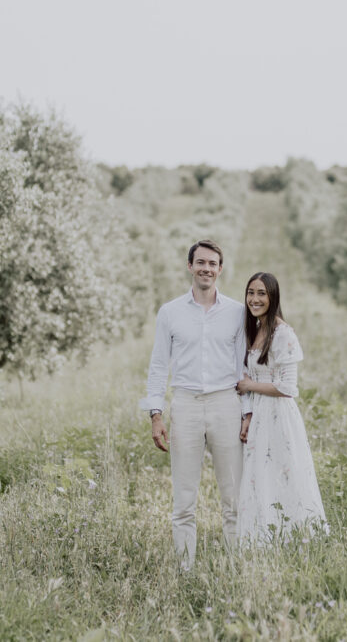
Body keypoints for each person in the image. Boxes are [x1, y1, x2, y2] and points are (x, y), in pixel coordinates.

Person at [140, 239, 251, 570]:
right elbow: (159, 365)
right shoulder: (170, 312)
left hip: (225, 405)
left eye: (212, 263)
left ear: (220, 269)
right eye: (200, 262)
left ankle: (234, 567)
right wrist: (155, 414)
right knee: (184, 500)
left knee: (233, 498)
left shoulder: (236, 312)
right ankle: (185, 571)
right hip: (186, 405)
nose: (206, 268)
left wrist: (246, 413)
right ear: (190, 266)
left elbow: (243, 367)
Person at [236, 272, 327, 544]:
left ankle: (295, 536)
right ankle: (261, 536)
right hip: (259, 414)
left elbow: (288, 388)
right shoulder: (255, 330)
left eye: (262, 293)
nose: (255, 299)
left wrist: (249, 386)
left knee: (284, 472)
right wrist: (248, 415)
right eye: (251, 292)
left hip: (278, 414)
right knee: (260, 476)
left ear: (273, 297)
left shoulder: (282, 333)